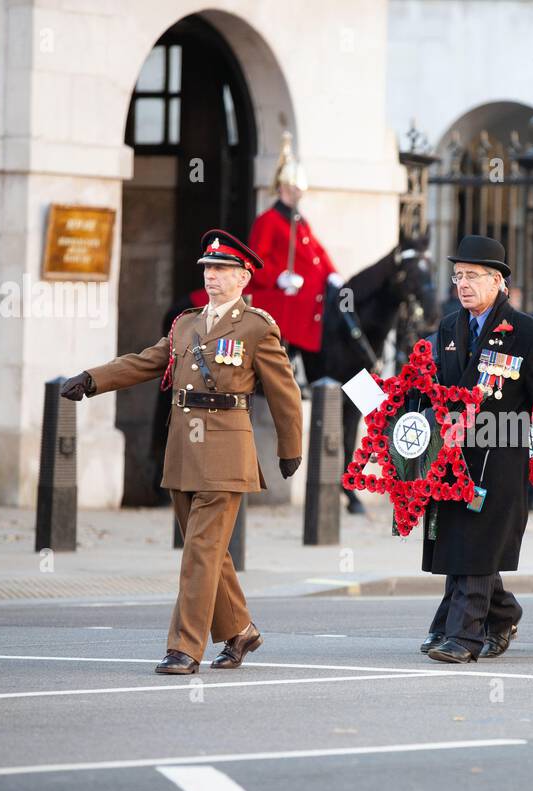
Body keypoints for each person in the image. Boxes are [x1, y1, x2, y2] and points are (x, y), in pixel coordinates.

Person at [59, 230, 303, 674]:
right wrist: (92, 379)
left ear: (244, 278)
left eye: (222, 270)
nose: (212, 276)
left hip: (227, 455)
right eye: (208, 269)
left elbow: (285, 392)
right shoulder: (186, 324)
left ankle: (184, 648)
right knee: (207, 550)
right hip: (183, 451)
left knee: (198, 553)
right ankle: (241, 631)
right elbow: (145, 361)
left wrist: (290, 448)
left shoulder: (256, 327)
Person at [421, 236, 533, 663]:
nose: (463, 284)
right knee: (457, 541)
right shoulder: (449, 326)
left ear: (498, 281)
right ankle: (502, 613)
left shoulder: (529, 333)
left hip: (499, 456)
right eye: (458, 276)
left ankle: (464, 636)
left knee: (479, 541)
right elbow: (435, 386)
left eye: (472, 276)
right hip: (453, 458)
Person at [244, 131, 342, 356]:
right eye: (293, 189)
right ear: (283, 188)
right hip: (284, 300)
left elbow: (317, 252)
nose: (297, 194)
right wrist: (278, 277)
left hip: (309, 303)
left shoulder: (299, 221)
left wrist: (332, 273)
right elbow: (254, 261)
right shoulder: (269, 220)